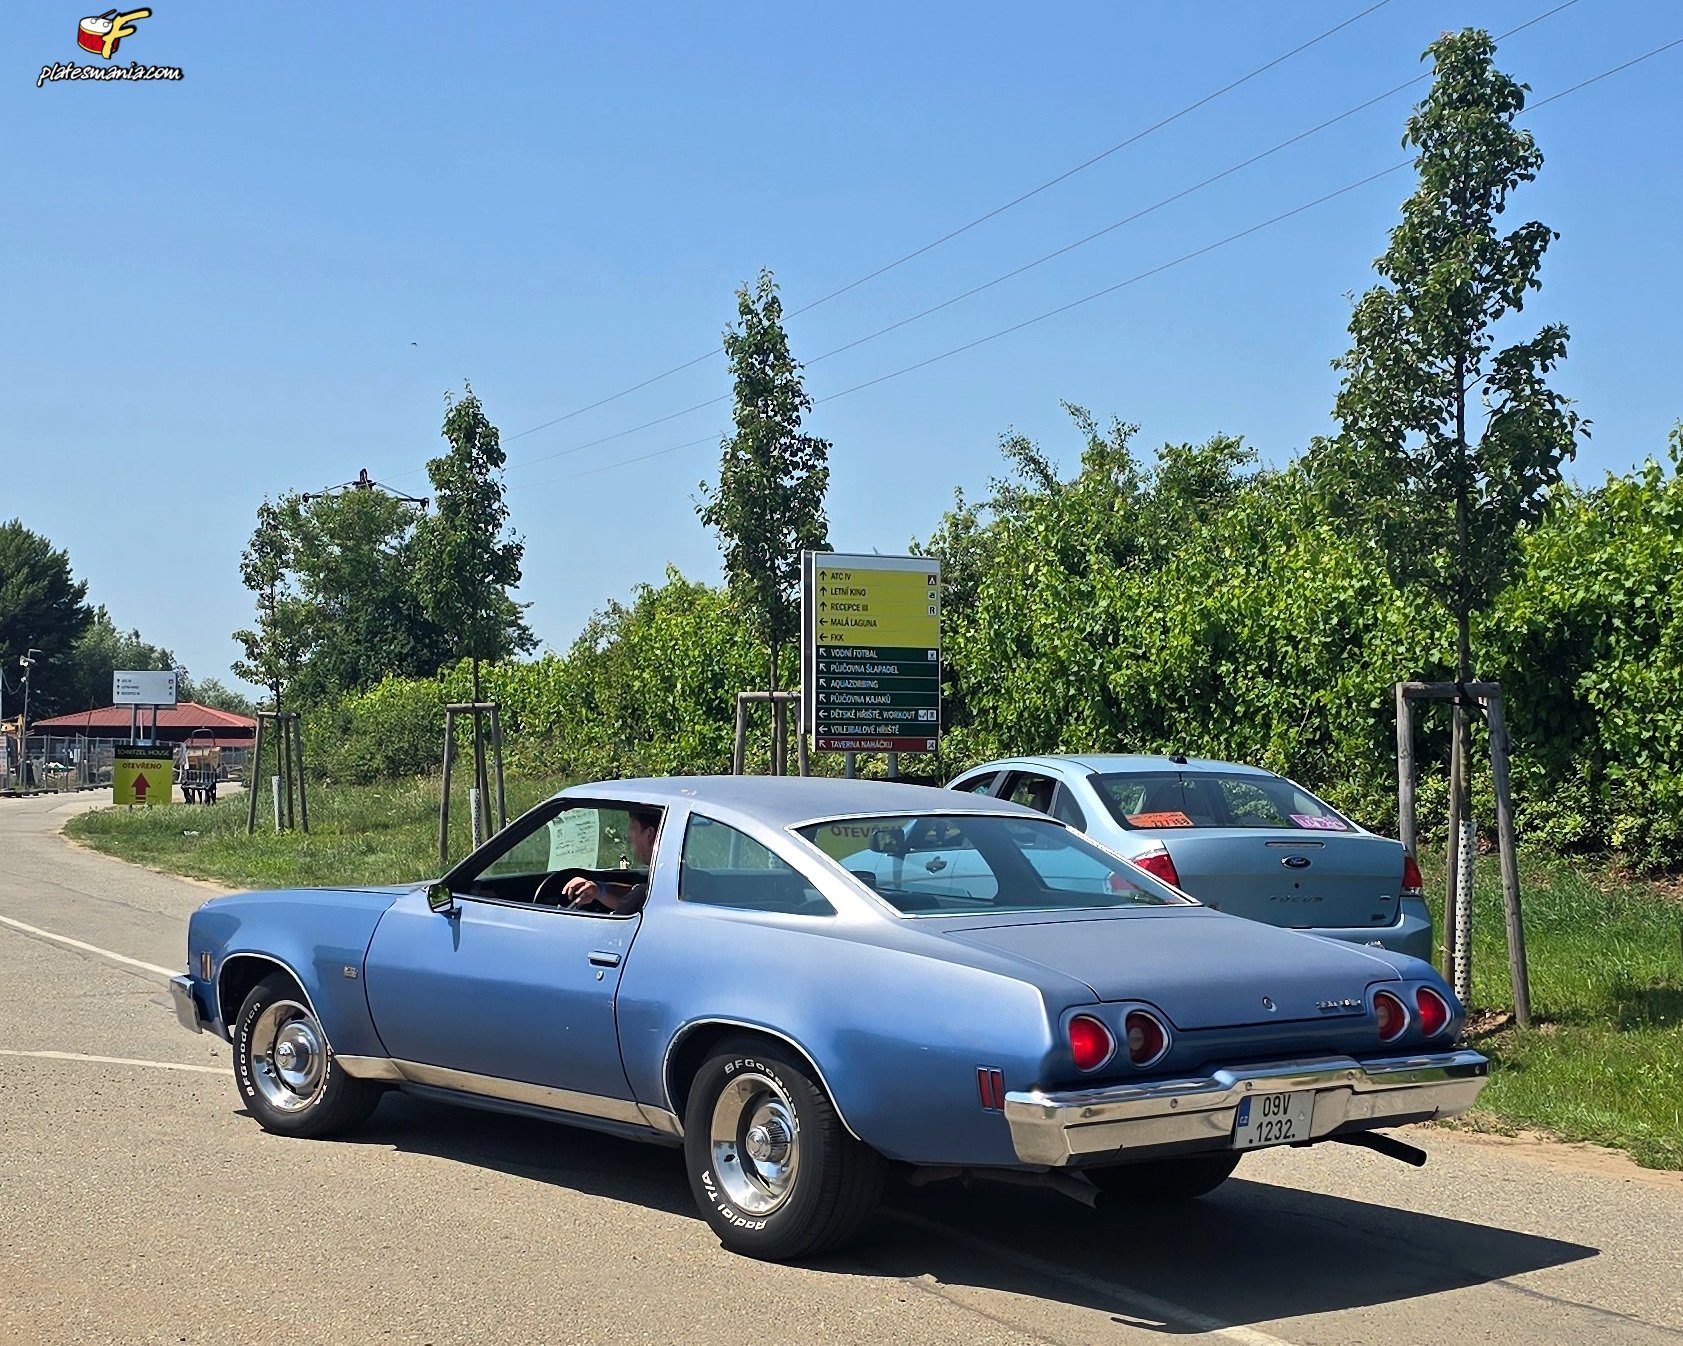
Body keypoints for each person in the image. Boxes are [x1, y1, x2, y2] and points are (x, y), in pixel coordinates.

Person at [561, 807, 661, 914]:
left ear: (649, 834)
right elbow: (633, 896)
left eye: (632, 827)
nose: (629, 836)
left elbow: (637, 898)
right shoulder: (670, 884)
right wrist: (599, 890)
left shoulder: (643, 894)